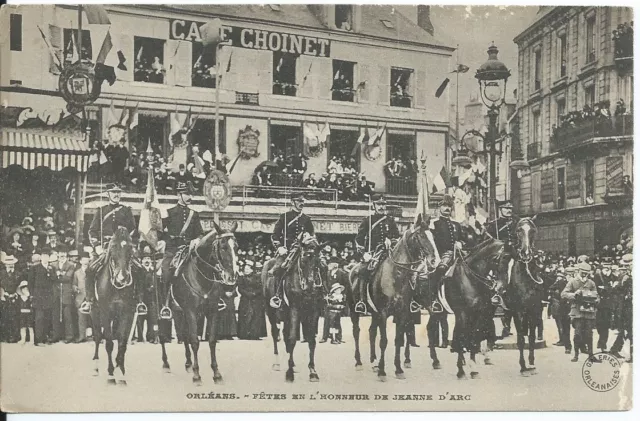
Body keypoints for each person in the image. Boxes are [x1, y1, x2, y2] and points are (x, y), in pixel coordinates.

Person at [84, 183, 137, 313]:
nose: (116, 194)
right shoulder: (101, 211)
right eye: (113, 192)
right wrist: (97, 247)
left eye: (118, 192)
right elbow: (92, 231)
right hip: (105, 248)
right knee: (90, 269)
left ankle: (139, 301)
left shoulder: (126, 210)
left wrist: (129, 244)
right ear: (108, 194)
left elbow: (133, 230)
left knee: (139, 268)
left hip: (123, 248)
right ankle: (89, 300)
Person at [157, 181, 203, 319]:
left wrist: (197, 240)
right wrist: (165, 240)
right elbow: (159, 232)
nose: (190, 197)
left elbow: (199, 232)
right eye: (186, 194)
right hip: (172, 250)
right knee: (165, 272)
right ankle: (165, 304)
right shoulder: (169, 213)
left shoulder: (193, 214)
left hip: (189, 250)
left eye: (191, 194)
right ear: (179, 195)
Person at [353, 194, 400, 314]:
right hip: (374, 254)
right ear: (374, 205)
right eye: (379, 204)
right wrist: (364, 254)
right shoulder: (368, 221)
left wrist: (392, 241)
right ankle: (362, 302)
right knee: (363, 270)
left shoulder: (390, 220)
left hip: (389, 253)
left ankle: (406, 300)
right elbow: (359, 239)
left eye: (383, 204)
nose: (381, 207)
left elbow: (396, 236)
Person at [268, 193, 315, 309]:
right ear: (292, 202)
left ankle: (322, 293)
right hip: (287, 250)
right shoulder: (284, 217)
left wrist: (309, 238)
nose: (301, 204)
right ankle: (277, 295)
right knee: (278, 268)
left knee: (319, 265)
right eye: (299, 201)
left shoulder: (307, 219)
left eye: (303, 201)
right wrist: (279, 247)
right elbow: (275, 235)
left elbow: (312, 235)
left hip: (303, 249)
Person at [427, 194, 465, 313]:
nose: (447, 208)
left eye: (449, 206)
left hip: (458, 254)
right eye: (444, 206)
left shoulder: (456, 225)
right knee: (440, 269)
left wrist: (461, 243)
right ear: (439, 208)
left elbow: (463, 239)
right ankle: (434, 299)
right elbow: (430, 241)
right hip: (441, 255)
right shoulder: (434, 224)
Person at [561, 262, 600, 363]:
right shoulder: (573, 282)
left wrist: (596, 300)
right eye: (583, 272)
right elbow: (563, 294)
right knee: (577, 334)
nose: (584, 275)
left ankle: (591, 355)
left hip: (589, 312)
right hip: (577, 311)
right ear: (578, 271)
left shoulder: (591, 283)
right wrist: (574, 294)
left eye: (586, 273)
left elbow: (597, 296)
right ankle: (576, 355)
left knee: (589, 334)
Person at [609, 254, 632, 362]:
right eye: (626, 266)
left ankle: (615, 349)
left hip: (629, 305)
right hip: (626, 306)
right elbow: (616, 289)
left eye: (628, 265)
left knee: (627, 330)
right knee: (627, 329)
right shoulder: (623, 277)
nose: (627, 267)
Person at [237, 260, 267, 340]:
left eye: (247, 269)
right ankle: (244, 334)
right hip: (245, 299)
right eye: (245, 269)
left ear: (252, 270)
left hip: (256, 299)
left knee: (256, 316)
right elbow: (240, 288)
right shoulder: (241, 278)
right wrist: (247, 294)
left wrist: (254, 293)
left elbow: (260, 288)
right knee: (245, 316)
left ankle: (255, 334)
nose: (246, 271)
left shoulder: (257, 277)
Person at [51, 247, 76, 343]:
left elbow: (68, 278)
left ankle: (69, 336)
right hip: (56, 293)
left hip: (66, 293)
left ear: (66, 255)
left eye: (64, 253)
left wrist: (58, 274)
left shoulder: (71, 265)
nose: (62, 255)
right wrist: (62, 274)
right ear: (57, 254)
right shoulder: (53, 265)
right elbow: (52, 278)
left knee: (67, 316)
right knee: (55, 315)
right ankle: (55, 336)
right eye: (60, 253)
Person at [29, 253, 55, 346]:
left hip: (48, 297)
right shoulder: (35, 268)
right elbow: (30, 283)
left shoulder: (52, 268)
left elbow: (54, 280)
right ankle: (38, 340)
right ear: (41, 257)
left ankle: (45, 338)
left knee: (47, 318)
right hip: (38, 297)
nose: (45, 258)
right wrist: (32, 295)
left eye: (47, 256)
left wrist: (50, 272)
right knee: (39, 318)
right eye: (44, 256)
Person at [0, 254, 21, 343]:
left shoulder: (18, 274)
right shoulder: (1, 273)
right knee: (4, 317)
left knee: (14, 317)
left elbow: (21, 286)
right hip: (3, 298)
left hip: (15, 297)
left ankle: (14, 336)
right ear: (5, 264)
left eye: (12, 263)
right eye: (8, 263)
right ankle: (4, 336)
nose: (10, 265)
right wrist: (3, 294)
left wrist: (15, 293)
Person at [73, 252, 91, 342]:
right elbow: (74, 284)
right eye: (83, 260)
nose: (85, 261)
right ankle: (82, 337)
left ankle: (96, 337)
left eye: (86, 259)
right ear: (80, 261)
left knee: (94, 318)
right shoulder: (76, 273)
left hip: (91, 298)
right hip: (80, 298)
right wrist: (76, 288)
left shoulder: (93, 271)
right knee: (81, 318)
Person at [16, 280, 35, 345]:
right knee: (22, 327)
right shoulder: (20, 297)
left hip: (29, 314)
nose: (25, 290)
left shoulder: (30, 297)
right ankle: (23, 339)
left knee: (30, 327)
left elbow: (32, 305)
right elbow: (18, 305)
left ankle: (31, 340)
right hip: (22, 314)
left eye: (26, 288)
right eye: (23, 289)